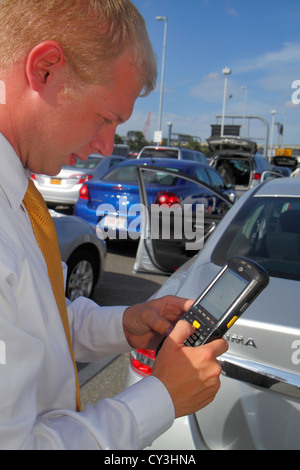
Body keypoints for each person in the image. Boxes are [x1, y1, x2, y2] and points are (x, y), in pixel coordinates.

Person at [0, 0, 228, 450]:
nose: (107, 149)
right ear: (45, 69)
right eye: (106, 119)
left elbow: (35, 318)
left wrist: (123, 323)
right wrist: (161, 397)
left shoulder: (18, 194)